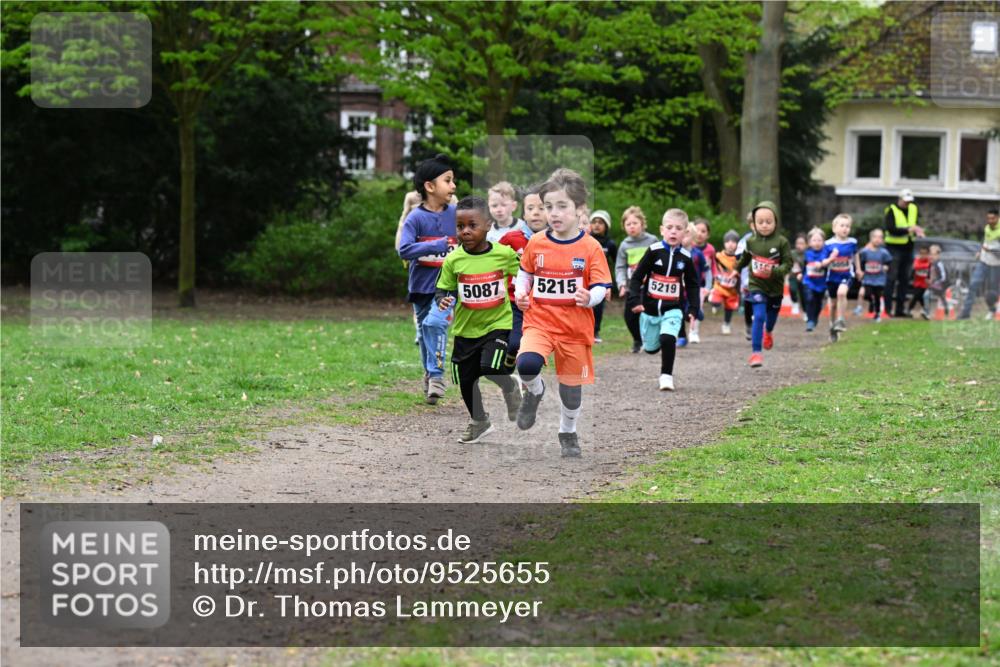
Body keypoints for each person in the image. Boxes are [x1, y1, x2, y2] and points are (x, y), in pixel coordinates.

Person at [513, 168, 612, 458]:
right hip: (540, 322)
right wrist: (521, 292)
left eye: (562, 206)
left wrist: (588, 297)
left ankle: (567, 432)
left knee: (571, 390)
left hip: (574, 329)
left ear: (580, 209)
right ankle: (534, 391)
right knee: (527, 364)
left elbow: (601, 286)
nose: (553, 213)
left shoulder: (591, 247)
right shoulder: (537, 242)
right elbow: (525, 273)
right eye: (548, 207)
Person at [435, 196, 523, 443]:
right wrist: (442, 299)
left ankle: (510, 388)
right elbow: (443, 288)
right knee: (465, 380)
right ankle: (479, 421)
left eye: (472, 225)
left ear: (488, 224)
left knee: (491, 366)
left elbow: (525, 275)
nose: (466, 231)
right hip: (465, 329)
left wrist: (527, 298)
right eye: (460, 226)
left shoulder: (504, 255)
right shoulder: (454, 260)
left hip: (498, 324)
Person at [398, 154, 458, 404]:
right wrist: (435, 245)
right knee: (424, 331)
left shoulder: (456, 214)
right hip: (421, 287)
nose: (453, 186)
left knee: (435, 324)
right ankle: (429, 373)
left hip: (448, 289)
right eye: (448, 180)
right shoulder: (415, 218)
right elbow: (404, 250)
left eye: (453, 180)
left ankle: (436, 376)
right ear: (430, 186)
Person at [627, 209, 701, 391]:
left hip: (673, 309)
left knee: (668, 338)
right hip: (650, 310)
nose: (673, 231)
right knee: (651, 348)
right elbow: (636, 277)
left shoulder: (686, 257)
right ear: (662, 230)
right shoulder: (653, 251)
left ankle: (666, 376)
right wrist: (635, 300)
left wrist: (693, 309)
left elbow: (692, 285)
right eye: (669, 227)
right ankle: (654, 341)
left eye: (678, 228)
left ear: (685, 233)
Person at [499, 184, 549, 371]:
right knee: (514, 344)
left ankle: (529, 374)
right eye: (530, 208)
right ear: (523, 214)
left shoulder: (557, 240)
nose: (536, 213)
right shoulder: (511, 239)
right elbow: (495, 261)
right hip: (516, 303)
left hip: (545, 305)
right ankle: (510, 363)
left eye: (541, 208)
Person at [736, 201, 793, 367]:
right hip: (756, 284)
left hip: (775, 288)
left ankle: (768, 332)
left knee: (770, 320)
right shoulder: (751, 242)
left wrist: (774, 272)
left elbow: (788, 264)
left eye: (768, 222)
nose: (764, 225)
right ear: (754, 224)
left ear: (775, 222)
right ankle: (756, 353)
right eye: (760, 222)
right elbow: (745, 259)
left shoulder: (782, 242)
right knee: (758, 316)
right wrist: (735, 270)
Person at [615, 206, 658, 353]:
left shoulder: (652, 240)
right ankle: (637, 339)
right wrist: (621, 284)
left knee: (649, 314)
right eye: (628, 224)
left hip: (649, 286)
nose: (632, 227)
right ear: (624, 227)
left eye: (635, 223)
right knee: (629, 316)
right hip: (632, 286)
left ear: (642, 224)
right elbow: (620, 267)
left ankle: (652, 340)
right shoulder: (624, 245)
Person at [884, 188, 925, 317]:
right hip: (893, 248)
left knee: (905, 279)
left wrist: (918, 230)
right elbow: (890, 229)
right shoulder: (891, 209)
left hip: (908, 248)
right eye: (905, 201)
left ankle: (900, 310)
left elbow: (915, 224)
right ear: (899, 199)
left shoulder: (913, 208)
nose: (907, 204)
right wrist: (908, 229)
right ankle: (887, 309)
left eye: (909, 201)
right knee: (891, 279)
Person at [958, 207, 1000, 320]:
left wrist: (990, 250)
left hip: (996, 266)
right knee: (973, 285)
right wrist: (980, 251)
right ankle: (965, 314)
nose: (990, 221)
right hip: (983, 262)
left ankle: (992, 310)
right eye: (988, 218)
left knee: (992, 292)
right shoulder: (987, 228)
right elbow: (985, 242)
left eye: (993, 218)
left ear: (997, 218)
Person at [825, 214, 858, 334]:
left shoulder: (852, 242)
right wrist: (829, 259)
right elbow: (823, 261)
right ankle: (832, 324)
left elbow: (856, 255)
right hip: (832, 277)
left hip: (846, 274)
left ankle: (841, 320)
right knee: (833, 304)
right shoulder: (827, 244)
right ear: (834, 228)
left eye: (848, 226)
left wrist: (858, 269)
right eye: (842, 225)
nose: (845, 228)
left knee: (842, 293)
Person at [588, 210, 616, 344]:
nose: (597, 225)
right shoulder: (586, 239)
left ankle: (595, 331)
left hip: (601, 279)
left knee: (598, 306)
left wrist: (609, 284)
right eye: (594, 222)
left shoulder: (610, 244)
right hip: (586, 277)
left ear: (606, 225)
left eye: (600, 222)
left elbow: (615, 263)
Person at [709, 229, 741, 334]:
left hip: (732, 289)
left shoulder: (739, 259)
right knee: (715, 301)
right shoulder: (718, 256)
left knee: (729, 308)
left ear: (737, 244)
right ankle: (715, 305)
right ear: (724, 243)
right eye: (728, 242)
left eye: (733, 242)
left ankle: (726, 324)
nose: (730, 244)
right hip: (719, 286)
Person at [857, 228, 892, 322]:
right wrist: (861, 271)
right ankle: (871, 302)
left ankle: (877, 314)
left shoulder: (884, 252)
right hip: (868, 278)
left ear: (882, 239)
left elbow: (889, 262)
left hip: (879, 278)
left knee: (877, 296)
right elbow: (860, 261)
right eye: (875, 237)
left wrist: (886, 266)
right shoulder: (865, 251)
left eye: (880, 237)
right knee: (867, 294)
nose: (877, 239)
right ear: (870, 238)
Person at [802, 227, 833, 332]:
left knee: (818, 302)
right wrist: (799, 274)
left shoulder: (826, 252)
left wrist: (824, 263)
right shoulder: (806, 253)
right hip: (809, 281)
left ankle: (815, 318)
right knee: (809, 299)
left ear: (824, 241)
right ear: (809, 242)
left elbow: (829, 263)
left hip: (821, 283)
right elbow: (803, 265)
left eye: (819, 240)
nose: (817, 243)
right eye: (814, 240)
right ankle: (810, 320)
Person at [907, 245, 932, 319]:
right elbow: (916, 266)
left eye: (925, 254)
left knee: (921, 297)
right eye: (921, 253)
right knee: (917, 296)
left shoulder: (929, 261)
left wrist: (925, 266)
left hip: (926, 284)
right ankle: (910, 309)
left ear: (928, 254)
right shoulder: (917, 260)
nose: (923, 255)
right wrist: (925, 266)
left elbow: (930, 267)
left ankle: (925, 311)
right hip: (918, 283)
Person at [926, 244, 950, 319]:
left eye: (934, 254)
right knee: (927, 295)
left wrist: (935, 283)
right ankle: (927, 312)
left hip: (941, 284)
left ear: (938, 255)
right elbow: (931, 275)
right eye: (930, 254)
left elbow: (943, 277)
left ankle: (946, 310)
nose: (932, 256)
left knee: (940, 296)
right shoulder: (931, 264)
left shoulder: (939, 264)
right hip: (935, 285)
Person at [789, 233, 807, 318]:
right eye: (797, 243)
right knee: (792, 289)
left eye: (801, 243)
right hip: (793, 275)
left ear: (806, 245)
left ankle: (805, 311)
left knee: (803, 294)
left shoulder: (808, 254)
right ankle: (795, 303)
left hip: (804, 276)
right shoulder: (792, 253)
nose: (799, 245)